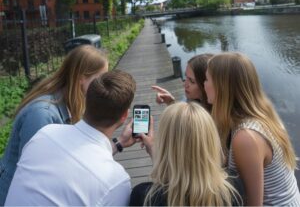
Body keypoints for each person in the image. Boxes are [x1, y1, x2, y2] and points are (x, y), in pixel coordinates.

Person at [5, 70, 136, 206]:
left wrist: (119, 143)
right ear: (124, 116)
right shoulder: (115, 181)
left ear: (87, 101)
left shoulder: (44, 134)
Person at [0, 45, 110, 205]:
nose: (103, 86)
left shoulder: (71, 104)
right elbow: (34, 177)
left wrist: (118, 143)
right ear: (81, 77)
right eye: (100, 79)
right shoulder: (41, 115)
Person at [204, 52, 300, 206]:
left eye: (207, 79)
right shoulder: (265, 115)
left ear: (222, 87)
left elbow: (252, 204)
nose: (204, 84)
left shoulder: (246, 138)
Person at [130, 101, 238, 206]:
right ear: (211, 141)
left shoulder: (144, 197)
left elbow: (167, 187)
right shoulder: (232, 189)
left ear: (164, 144)